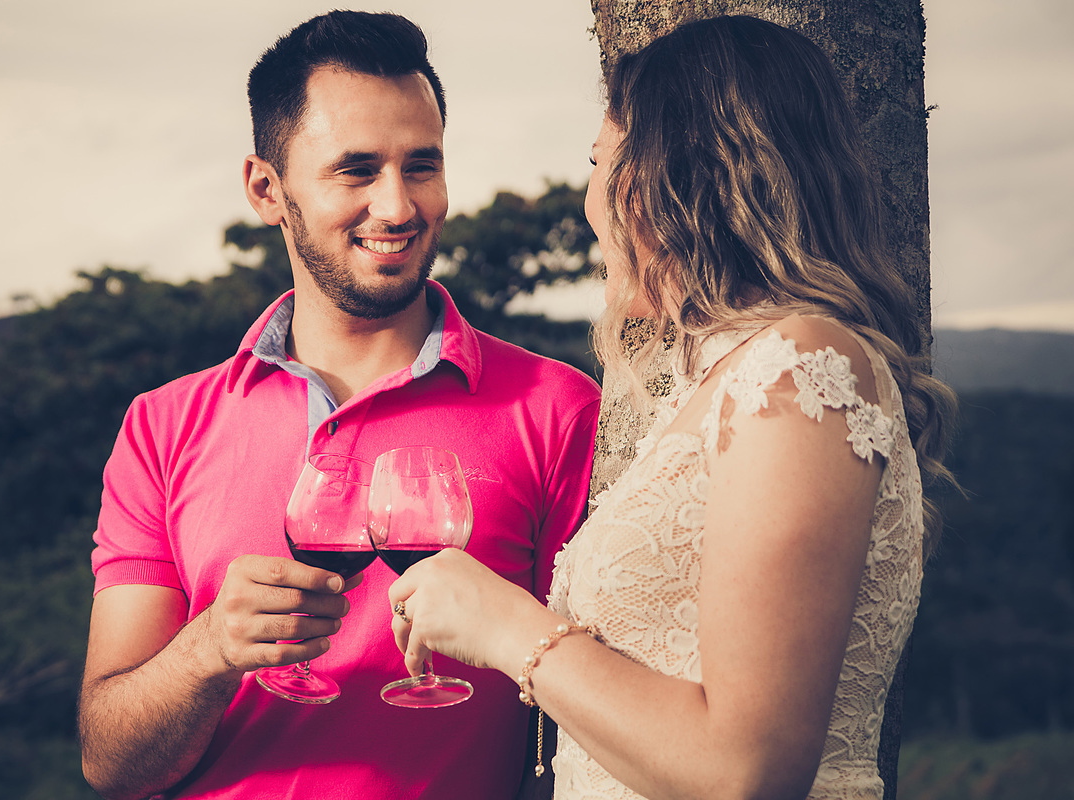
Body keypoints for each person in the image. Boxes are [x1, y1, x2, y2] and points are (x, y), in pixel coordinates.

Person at [388, 15, 957, 800]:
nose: (590, 202)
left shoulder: (799, 369)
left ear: (670, 176)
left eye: (600, 161)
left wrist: (504, 625)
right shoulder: (729, 378)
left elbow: (744, 769)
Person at [76, 11, 601, 800]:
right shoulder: (162, 426)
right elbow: (110, 764)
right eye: (356, 171)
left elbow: (595, 714)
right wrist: (210, 647)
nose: (397, 206)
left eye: (421, 166)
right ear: (267, 190)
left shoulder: (557, 411)